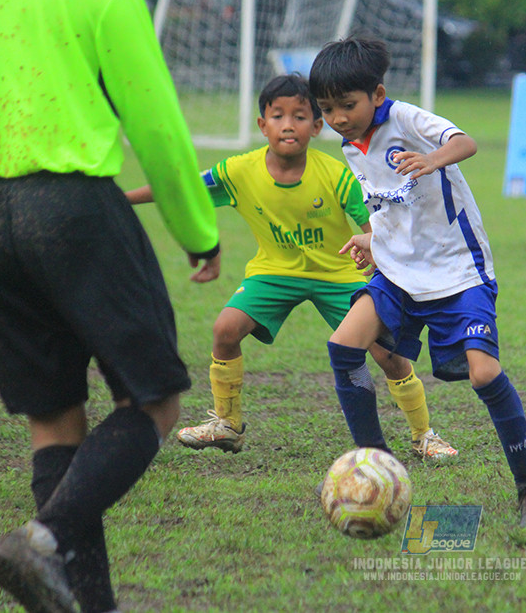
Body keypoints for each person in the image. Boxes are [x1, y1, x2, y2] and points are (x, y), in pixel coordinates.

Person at [0, 0, 222, 612]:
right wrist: (196, 229)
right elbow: (153, 119)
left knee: (54, 420)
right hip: (73, 212)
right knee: (155, 403)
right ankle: (44, 534)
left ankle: (92, 604)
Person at [126, 74, 457, 461]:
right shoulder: (238, 171)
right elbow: (182, 188)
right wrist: (120, 199)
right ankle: (227, 424)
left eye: (300, 116)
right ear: (262, 125)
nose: (288, 124)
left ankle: (425, 436)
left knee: (389, 356)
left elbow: (376, 228)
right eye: (278, 115)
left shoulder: (336, 174)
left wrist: (377, 261)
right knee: (225, 330)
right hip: (274, 271)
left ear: (317, 127)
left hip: (338, 274)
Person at [308, 37, 526, 528]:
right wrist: (370, 239)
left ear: (377, 94)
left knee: (484, 374)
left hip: (458, 271)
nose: (337, 117)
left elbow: (466, 143)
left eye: (346, 105)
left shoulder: (406, 120)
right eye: (327, 109)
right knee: (344, 345)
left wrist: (433, 158)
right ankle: (376, 466)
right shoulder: (349, 143)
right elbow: (386, 202)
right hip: (399, 271)